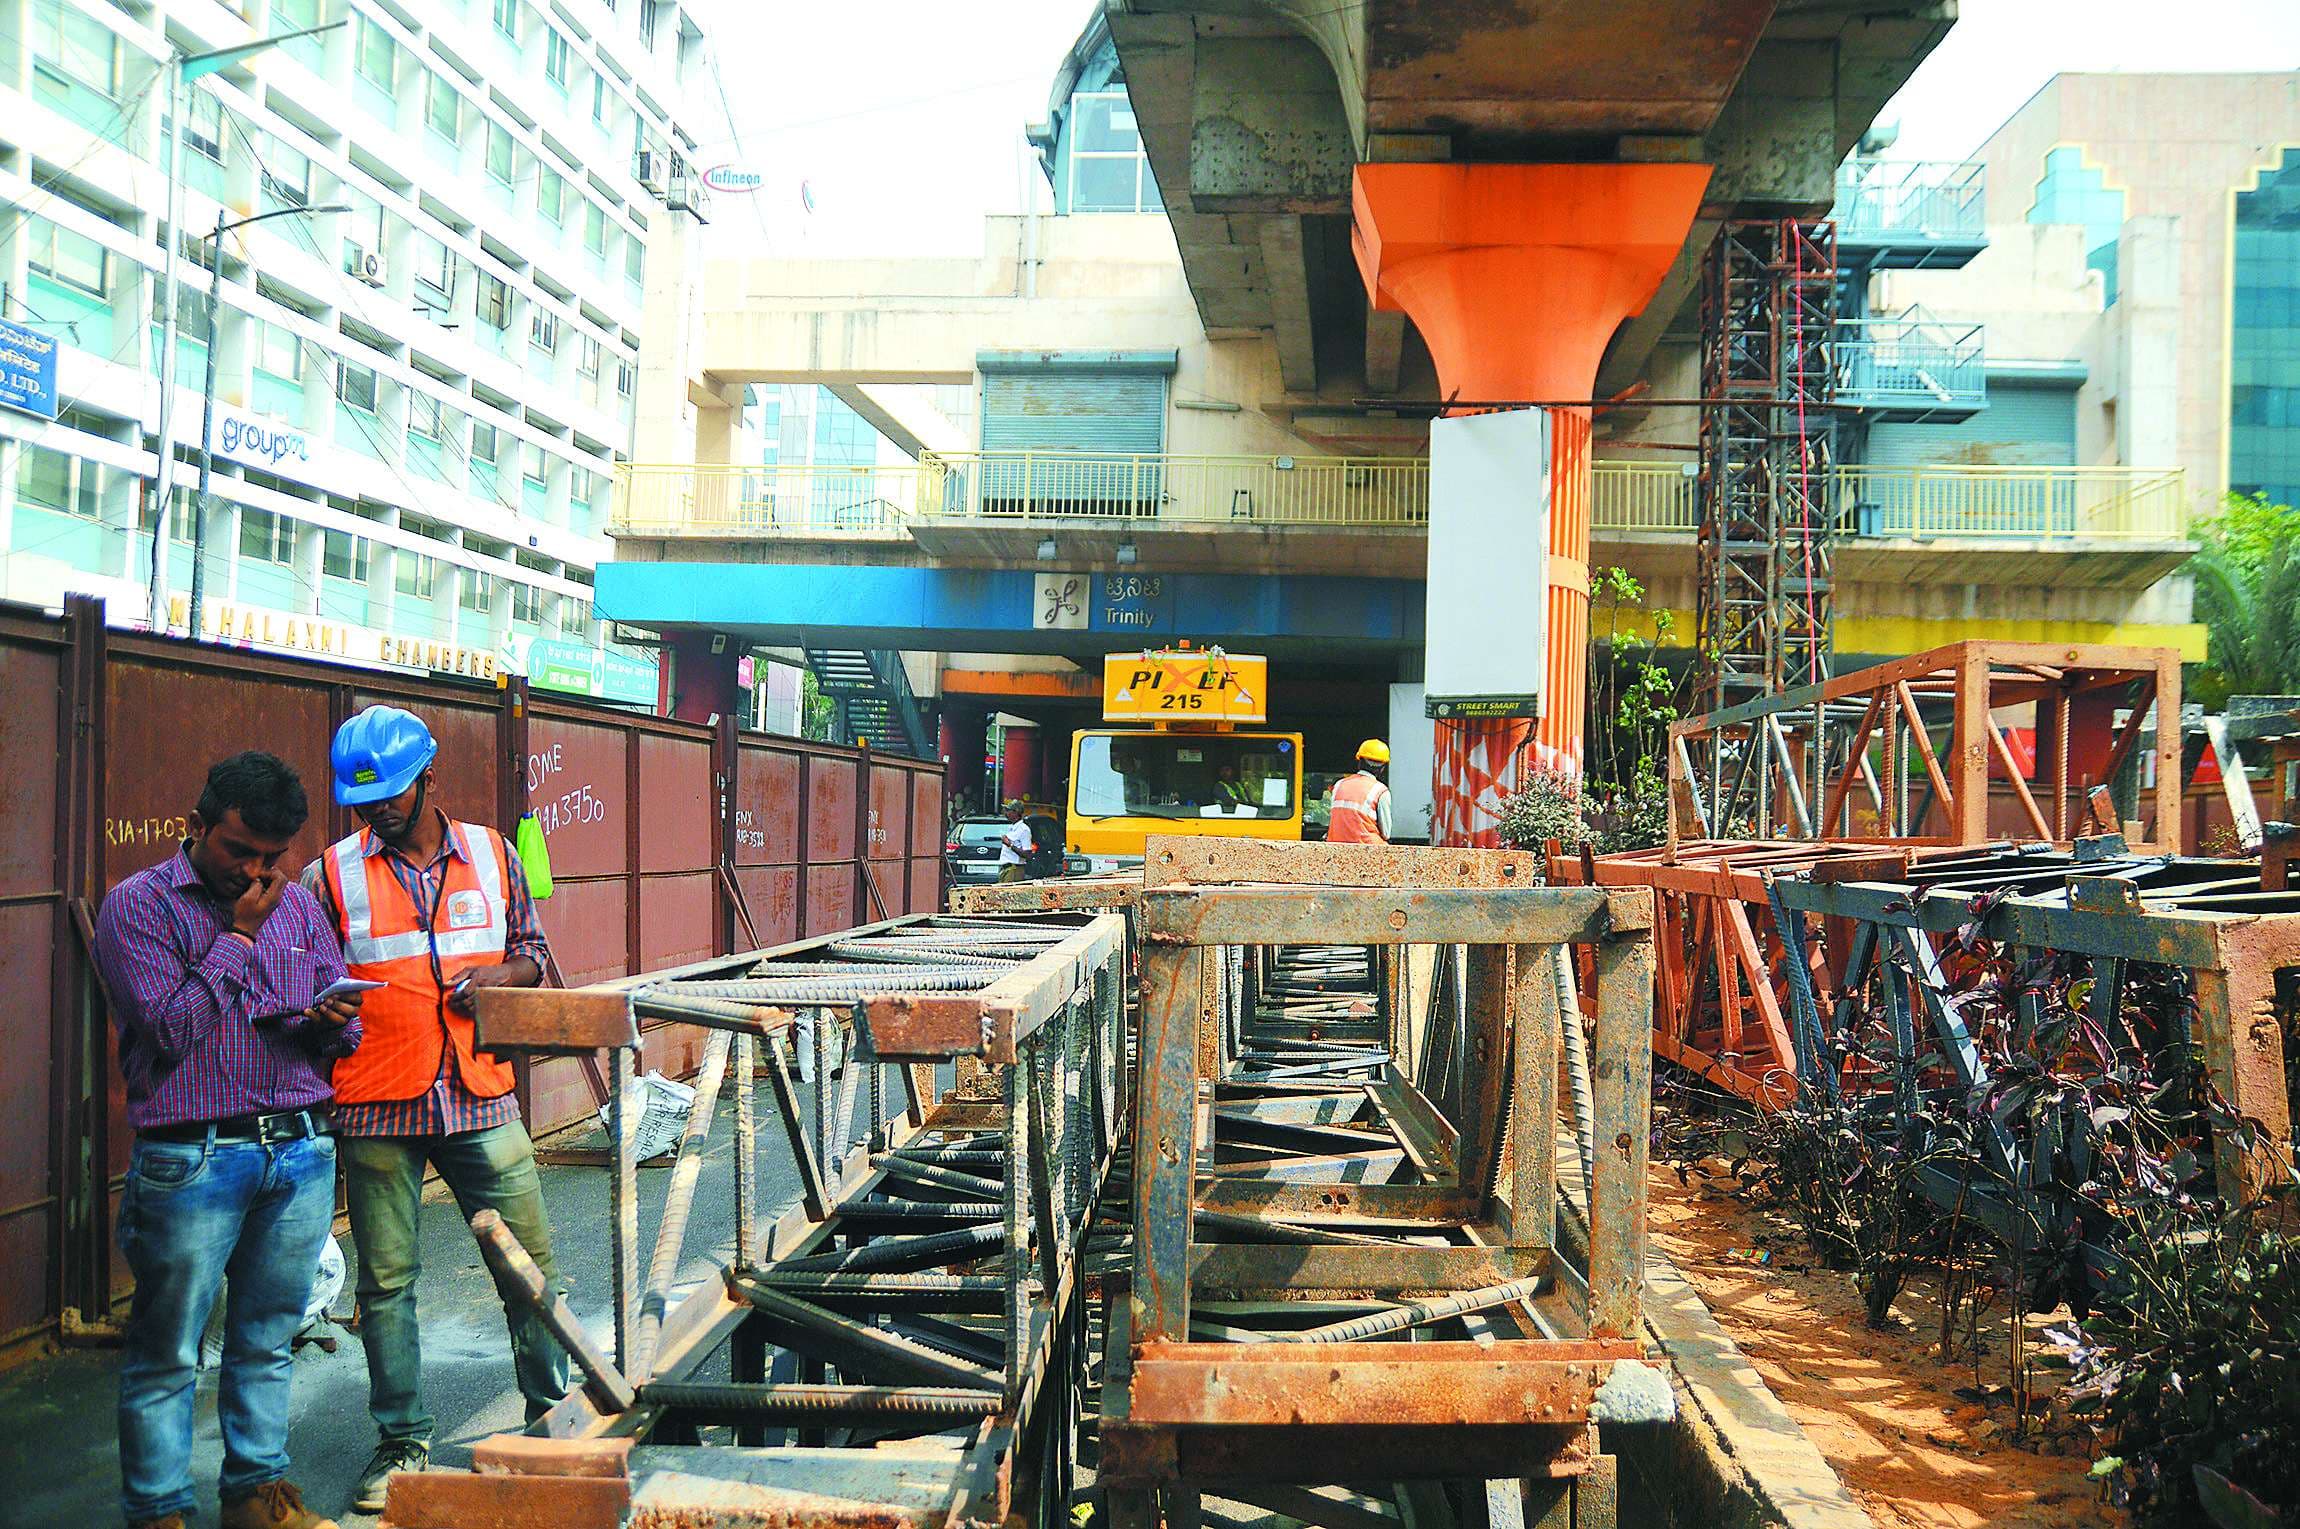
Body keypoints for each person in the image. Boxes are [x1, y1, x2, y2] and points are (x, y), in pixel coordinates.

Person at [300, 706, 570, 1514]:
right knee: (385, 1286)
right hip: (378, 1101)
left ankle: (551, 1418)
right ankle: (401, 1442)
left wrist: (504, 978)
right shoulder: (331, 875)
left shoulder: (492, 853)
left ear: (428, 777)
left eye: (391, 791)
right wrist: (322, 1013)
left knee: (530, 1272)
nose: (378, 808)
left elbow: (535, 953)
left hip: (479, 1093)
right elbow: (306, 983)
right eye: (364, 798)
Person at [94, 752, 360, 1529]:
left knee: (267, 1338)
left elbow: (342, 1025)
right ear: (196, 826)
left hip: (299, 1150)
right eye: (238, 850)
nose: (255, 870)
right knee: (169, 1349)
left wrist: (331, 1024)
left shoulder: (300, 907)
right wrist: (240, 935)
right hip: (194, 1157)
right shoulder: (137, 906)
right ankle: (158, 1511)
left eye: (271, 857)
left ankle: (255, 1498)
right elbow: (172, 1027)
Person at [1328, 739, 1394, 844]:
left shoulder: (1339, 785)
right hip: (1367, 850)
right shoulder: (1381, 791)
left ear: (1359, 761)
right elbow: (1386, 833)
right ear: (1383, 768)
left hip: (1335, 847)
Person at [995, 798, 1036, 882]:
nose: (1006, 813)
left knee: (1007, 894)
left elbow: (1027, 854)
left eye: (1008, 811)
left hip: (1014, 869)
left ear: (1016, 812)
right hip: (1005, 869)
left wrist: (1010, 845)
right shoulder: (1012, 828)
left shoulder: (1023, 829)